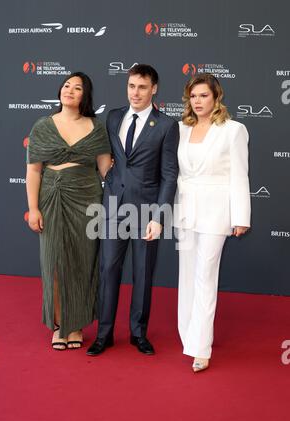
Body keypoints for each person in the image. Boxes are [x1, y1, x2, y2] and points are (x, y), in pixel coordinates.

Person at [86, 64, 179, 356]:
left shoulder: (166, 125)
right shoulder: (113, 117)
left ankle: (138, 333)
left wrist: (159, 217)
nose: (135, 93)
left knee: (142, 273)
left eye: (141, 87)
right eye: (131, 86)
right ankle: (104, 334)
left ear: (154, 89)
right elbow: (109, 157)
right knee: (108, 270)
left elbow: (169, 175)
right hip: (113, 207)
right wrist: (107, 177)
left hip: (146, 213)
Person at [26, 72, 112, 350]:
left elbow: (105, 170)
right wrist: (33, 208)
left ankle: (76, 325)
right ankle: (60, 325)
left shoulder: (96, 127)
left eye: (77, 88)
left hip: (87, 198)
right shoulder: (42, 125)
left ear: (85, 95)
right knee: (53, 263)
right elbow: (33, 170)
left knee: (82, 262)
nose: (70, 91)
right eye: (66, 86)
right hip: (51, 196)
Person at [174, 73, 251, 372]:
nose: (198, 101)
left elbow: (239, 175)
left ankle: (200, 347)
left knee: (206, 274)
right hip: (185, 210)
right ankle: (189, 335)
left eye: (204, 95)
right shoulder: (180, 129)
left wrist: (240, 216)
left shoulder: (233, 130)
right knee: (187, 275)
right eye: (193, 96)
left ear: (216, 97)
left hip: (216, 212)